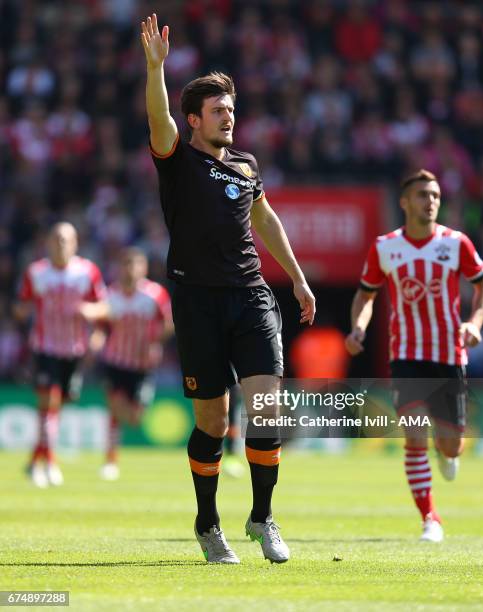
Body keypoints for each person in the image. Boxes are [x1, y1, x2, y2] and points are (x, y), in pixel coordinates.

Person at [140, 13, 316, 564]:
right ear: (194, 120)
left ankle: (263, 518)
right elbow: (158, 116)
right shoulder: (178, 158)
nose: (229, 118)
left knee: (266, 408)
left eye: (232, 110)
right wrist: (155, 69)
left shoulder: (246, 165)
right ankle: (208, 523)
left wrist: (298, 276)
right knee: (213, 423)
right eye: (218, 111)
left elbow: (266, 221)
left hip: (251, 296)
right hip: (195, 300)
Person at [345, 169, 483, 542]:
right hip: (406, 355)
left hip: (448, 355)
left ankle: (449, 452)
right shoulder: (386, 247)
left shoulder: (456, 243)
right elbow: (366, 294)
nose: (431, 202)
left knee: (450, 443)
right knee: (413, 433)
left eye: (436, 196)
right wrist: (359, 326)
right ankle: (431, 519)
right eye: (424, 195)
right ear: (405, 202)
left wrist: (475, 321)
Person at [14, 222, 106, 488]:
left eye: (66, 239)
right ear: (47, 243)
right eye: (56, 239)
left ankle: (34, 458)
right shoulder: (37, 272)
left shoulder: (87, 272)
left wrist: (95, 329)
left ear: (75, 243)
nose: (60, 244)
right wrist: (19, 311)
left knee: (57, 406)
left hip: (74, 350)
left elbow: (103, 307)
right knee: (49, 401)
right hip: (45, 347)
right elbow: (22, 305)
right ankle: (50, 463)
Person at [80, 247, 173, 481]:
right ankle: (110, 460)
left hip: (143, 365)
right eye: (126, 264)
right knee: (115, 407)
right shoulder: (110, 295)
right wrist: (95, 342)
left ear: (144, 268)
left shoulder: (155, 295)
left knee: (135, 417)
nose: (130, 269)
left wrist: (154, 341)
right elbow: (101, 327)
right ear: (120, 268)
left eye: (135, 264)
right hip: (115, 361)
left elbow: (169, 324)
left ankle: (116, 435)